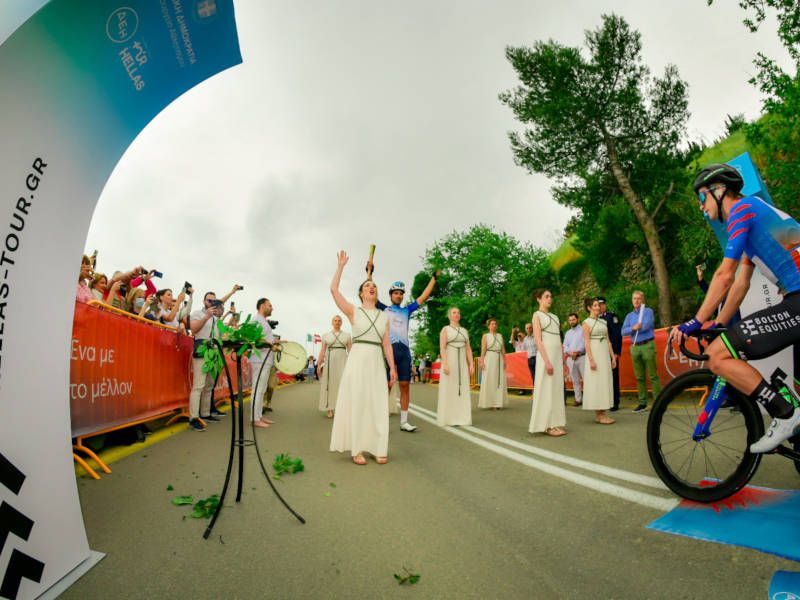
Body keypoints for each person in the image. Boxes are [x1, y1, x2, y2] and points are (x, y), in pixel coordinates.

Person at [675, 163, 800, 452]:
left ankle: (784, 414)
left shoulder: (741, 212)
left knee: (717, 355)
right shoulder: (753, 213)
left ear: (719, 191)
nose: (701, 208)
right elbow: (740, 286)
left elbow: (724, 275)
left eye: (702, 199)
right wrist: (717, 322)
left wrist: (694, 322)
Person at [330, 251, 396, 465]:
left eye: (374, 286)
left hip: (377, 361)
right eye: (367, 286)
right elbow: (334, 290)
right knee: (359, 402)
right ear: (361, 294)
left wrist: (392, 368)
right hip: (357, 360)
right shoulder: (353, 311)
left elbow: (386, 344)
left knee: (377, 403)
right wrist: (340, 267)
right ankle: (357, 448)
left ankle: (378, 448)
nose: (372, 287)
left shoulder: (384, 316)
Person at [367, 260, 440, 433]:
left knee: (405, 386)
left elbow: (423, 296)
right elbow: (371, 292)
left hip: (405, 352)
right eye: (396, 293)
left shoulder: (407, 310)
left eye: (401, 293)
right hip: (390, 351)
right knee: (387, 385)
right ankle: (376, 418)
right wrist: (370, 273)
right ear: (391, 295)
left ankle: (404, 421)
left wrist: (434, 278)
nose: (399, 295)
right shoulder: (384, 308)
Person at [187, 285, 243, 430]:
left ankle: (205, 413)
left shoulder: (216, 319)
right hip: (201, 351)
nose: (211, 303)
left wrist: (232, 292)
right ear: (204, 301)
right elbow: (193, 329)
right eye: (209, 300)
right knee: (198, 385)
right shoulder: (198, 314)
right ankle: (193, 417)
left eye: (214, 301)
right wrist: (206, 316)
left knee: (209, 385)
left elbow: (221, 335)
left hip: (214, 353)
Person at [528, 290, 567, 437]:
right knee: (546, 389)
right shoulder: (537, 315)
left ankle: (556, 422)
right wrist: (547, 361)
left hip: (557, 357)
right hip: (546, 358)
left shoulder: (555, 317)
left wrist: (563, 362)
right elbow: (538, 340)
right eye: (546, 297)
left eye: (551, 296)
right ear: (539, 299)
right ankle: (546, 425)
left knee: (556, 390)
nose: (550, 299)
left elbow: (559, 341)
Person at [621, 290, 660, 413]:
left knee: (653, 375)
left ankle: (658, 402)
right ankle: (642, 403)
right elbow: (623, 331)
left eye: (639, 298)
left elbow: (647, 325)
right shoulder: (629, 316)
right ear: (632, 300)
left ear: (643, 300)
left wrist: (639, 327)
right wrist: (633, 328)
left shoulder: (648, 311)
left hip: (647, 345)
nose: (636, 300)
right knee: (639, 377)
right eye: (634, 298)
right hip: (635, 347)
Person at [437, 307, 474, 426]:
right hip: (450, 362)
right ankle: (449, 418)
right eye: (454, 312)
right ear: (449, 316)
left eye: (458, 312)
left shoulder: (464, 331)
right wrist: (445, 363)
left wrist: (471, 364)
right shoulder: (445, 330)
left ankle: (462, 417)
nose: (457, 314)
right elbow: (442, 348)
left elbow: (468, 348)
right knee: (450, 388)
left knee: (462, 388)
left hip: (462, 364)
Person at [582, 299, 616, 424]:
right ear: (589, 308)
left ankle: (603, 412)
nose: (598, 307)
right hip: (595, 354)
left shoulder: (603, 322)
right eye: (595, 305)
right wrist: (591, 360)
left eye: (598, 305)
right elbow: (586, 342)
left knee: (604, 381)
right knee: (596, 382)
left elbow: (608, 341)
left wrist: (612, 357)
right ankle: (599, 414)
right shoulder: (586, 323)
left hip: (604, 355)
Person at [249, 297, 277, 428]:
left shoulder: (263, 321)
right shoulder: (255, 320)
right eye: (269, 305)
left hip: (265, 359)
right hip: (259, 359)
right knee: (257, 388)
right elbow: (252, 340)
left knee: (262, 389)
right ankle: (254, 419)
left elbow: (264, 340)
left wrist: (276, 343)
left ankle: (259, 415)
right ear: (262, 306)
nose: (272, 308)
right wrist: (270, 344)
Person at [317, 315, 352, 418]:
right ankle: (330, 409)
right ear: (332, 322)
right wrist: (319, 365)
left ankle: (343, 408)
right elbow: (322, 351)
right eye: (335, 321)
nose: (337, 322)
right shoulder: (325, 335)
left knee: (343, 384)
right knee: (330, 384)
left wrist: (354, 363)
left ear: (341, 323)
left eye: (339, 321)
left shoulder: (347, 335)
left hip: (343, 361)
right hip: (330, 361)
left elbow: (350, 350)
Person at [597, 297, 623, 411]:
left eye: (601, 304)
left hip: (611, 352)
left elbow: (617, 335)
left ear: (604, 305)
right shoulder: (595, 319)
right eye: (597, 305)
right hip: (600, 353)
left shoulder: (611, 316)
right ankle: (605, 401)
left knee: (613, 377)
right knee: (602, 378)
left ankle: (614, 402)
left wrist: (616, 352)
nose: (599, 307)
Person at [478, 318, 508, 410]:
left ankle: (498, 403)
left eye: (495, 324)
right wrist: (482, 361)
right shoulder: (485, 336)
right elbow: (483, 349)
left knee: (499, 380)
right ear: (488, 326)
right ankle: (490, 403)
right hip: (489, 358)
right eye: (492, 324)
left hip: (499, 358)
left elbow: (503, 349)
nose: (494, 325)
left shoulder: (500, 336)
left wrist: (505, 359)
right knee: (490, 379)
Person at [562, 312, 585, 407]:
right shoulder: (568, 333)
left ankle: (589, 400)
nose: (572, 322)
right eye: (570, 320)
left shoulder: (583, 330)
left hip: (582, 357)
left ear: (578, 319)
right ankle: (578, 399)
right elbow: (565, 346)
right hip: (571, 359)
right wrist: (571, 353)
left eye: (573, 319)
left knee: (586, 379)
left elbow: (584, 343)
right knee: (575, 380)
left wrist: (577, 352)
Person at [523, 322, 537, 392]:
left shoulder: (536, 336)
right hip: (529, 359)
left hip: (537, 358)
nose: (528, 329)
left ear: (532, 328)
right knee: (533, 375)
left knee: (538, 375)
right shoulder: (525, 339)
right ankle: (535, 390)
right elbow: (525, 349)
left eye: (530, 328)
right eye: (527, 328)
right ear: (525, 329)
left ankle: (538, 390)